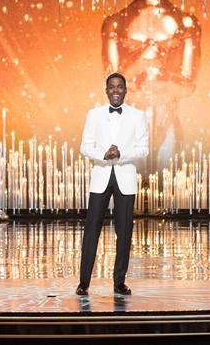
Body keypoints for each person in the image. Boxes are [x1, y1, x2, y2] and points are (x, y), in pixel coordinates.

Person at [101, 0, 200, 172]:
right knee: (130, 190)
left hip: (167, 121)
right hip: (128, 124)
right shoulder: (116, 24)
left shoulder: (184, 23)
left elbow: (187, 84)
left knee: (167, 189)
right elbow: (112, 83)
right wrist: (145, 62)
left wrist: (155, 74)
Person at [76, 73, 149, 296]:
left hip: (125, 179)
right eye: (111, 87)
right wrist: (103, 155)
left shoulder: (138, 116)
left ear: (126, 90)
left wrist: (121, 154)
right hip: (100, 177)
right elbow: (85, 146)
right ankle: (83, 283)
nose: (116, 90)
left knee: (124, 231)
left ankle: (119, 282)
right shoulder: (94, 114)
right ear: (106, 90)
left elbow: (143, 149)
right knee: (91, 230)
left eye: (120, 87)